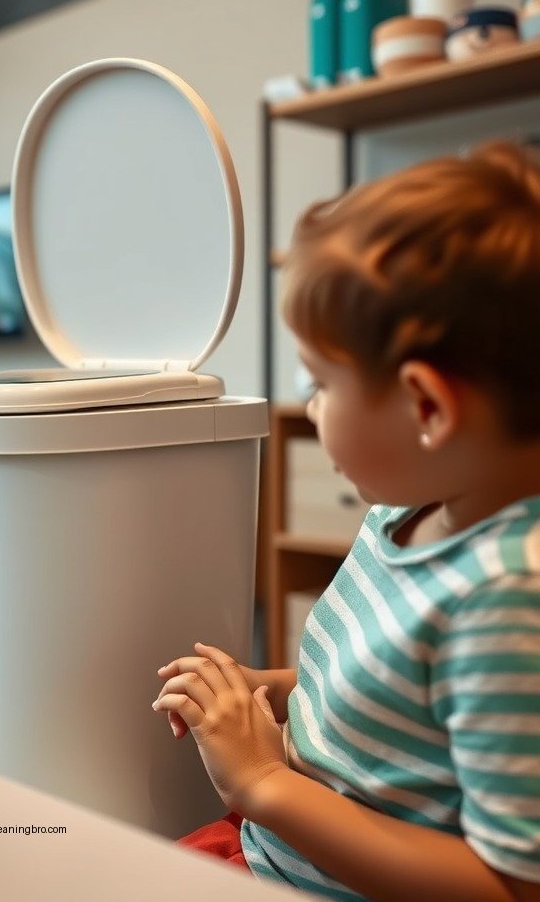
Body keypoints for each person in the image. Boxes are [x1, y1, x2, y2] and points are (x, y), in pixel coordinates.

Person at [153, 141, 540, 902]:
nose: (312, 408)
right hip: (272, 847)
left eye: (320, 382)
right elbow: (414, 703)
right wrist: (288, 692)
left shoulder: (506, 599)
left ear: (426, 406)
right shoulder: (411, 507)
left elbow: (505, 885)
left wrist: (262, 781)